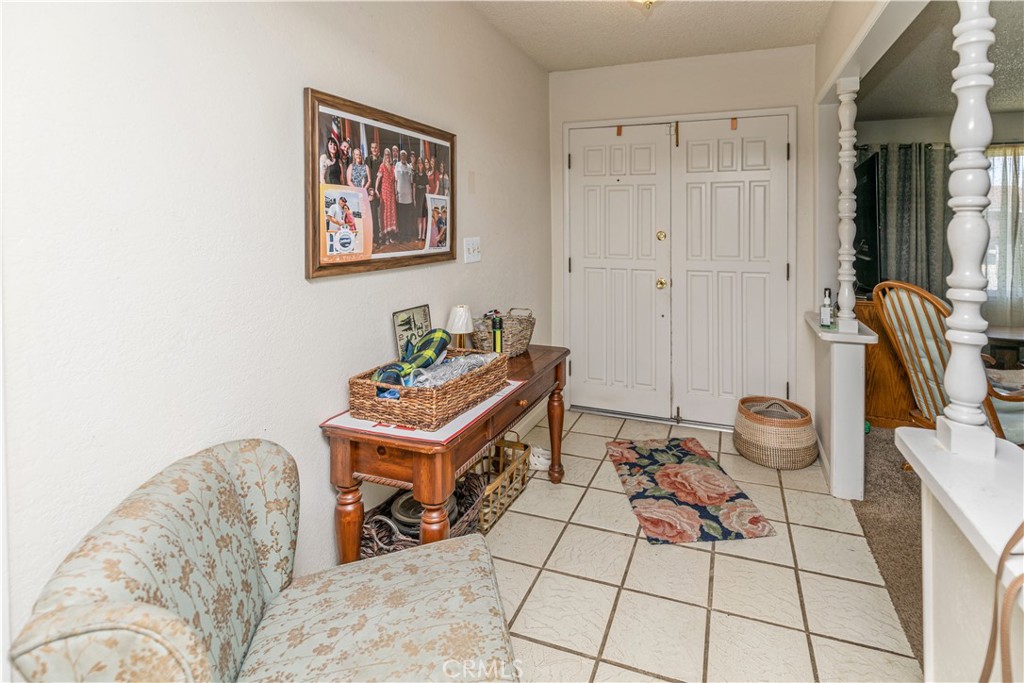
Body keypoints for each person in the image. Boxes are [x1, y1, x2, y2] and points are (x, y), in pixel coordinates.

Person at [375, 148, 398, 245]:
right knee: (385, 214)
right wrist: (376, 189)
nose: (388, 156)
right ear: (384, 155)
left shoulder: (393, 167)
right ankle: (386, 237)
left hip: (392, 194)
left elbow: (395, 181)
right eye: (386, 154)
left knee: (391, 213)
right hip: (384, 193)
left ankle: (391, 236)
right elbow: (378, 179)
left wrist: (396, 192)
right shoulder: (382, 166)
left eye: (389, 154)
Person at [394, 150, 415, 242]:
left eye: (404, 155)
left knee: (408, 218)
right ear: (400, 156)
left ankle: (408, 237)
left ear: (406, 157)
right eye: (401, 155)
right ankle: (401, 237)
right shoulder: (397, 165)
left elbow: (411, 181)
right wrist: (396, 193)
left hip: (408, 196)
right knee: (401, 217)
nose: (403, 157)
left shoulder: (409, 167)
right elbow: (395, 181)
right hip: (400, 196)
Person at [366, 142, 383, 245]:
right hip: (370, 191)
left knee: (379, 215)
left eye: (376, 147)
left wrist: (379, 190)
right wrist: (370, 190)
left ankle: (379, 237)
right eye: (372, 148)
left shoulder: (381, 160)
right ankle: (373, 237)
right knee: (371, 215)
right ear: (370, 149)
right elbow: (366, 175)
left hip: (380, 191)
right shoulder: (367, 160)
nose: (374, 149)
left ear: (378, 148)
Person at [413, 157, 429, 240]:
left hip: (424, 196)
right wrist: (414, 198)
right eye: (418, 163)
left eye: (421, 163)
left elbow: (427, 188)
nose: (420, 164)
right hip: (418, 196)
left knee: (424, 217)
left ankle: (423, 235)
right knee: (419, 216)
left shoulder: (425, 175)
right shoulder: (415, 175)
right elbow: (414, 187)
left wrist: (427, 200)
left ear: (423, 164)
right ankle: (419, 235)